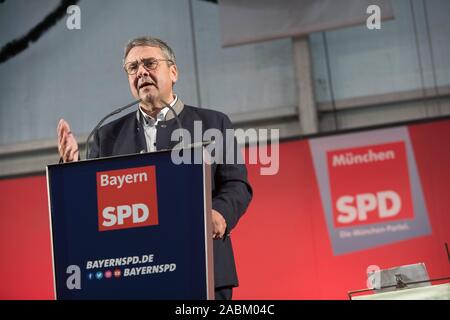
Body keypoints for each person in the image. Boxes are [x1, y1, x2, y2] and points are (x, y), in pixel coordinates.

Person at [57, 36, 252, 300]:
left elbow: (236, 184)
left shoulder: (213, 123)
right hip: (136, 274)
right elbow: (94, 207)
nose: (141, 72)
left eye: (149, 63)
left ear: (173, 71)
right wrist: (70, 170)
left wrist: (219, 213)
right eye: (132, 68)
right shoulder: (107, 135)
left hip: (202, 266)